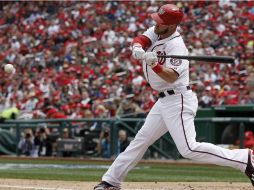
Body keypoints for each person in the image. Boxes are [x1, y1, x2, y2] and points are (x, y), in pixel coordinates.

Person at [94, 4, 254, 190]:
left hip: (178, 99)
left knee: (189, 149)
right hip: (163, 101)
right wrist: (138, 48)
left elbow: (170, 77)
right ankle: (111, 181)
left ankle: (245, 158)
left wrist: (154, 64)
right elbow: (141, 38)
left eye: (160, 21)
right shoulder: (158, 30)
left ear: (171, 26)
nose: (155, 23)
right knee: (140, 141)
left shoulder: (177, 45)